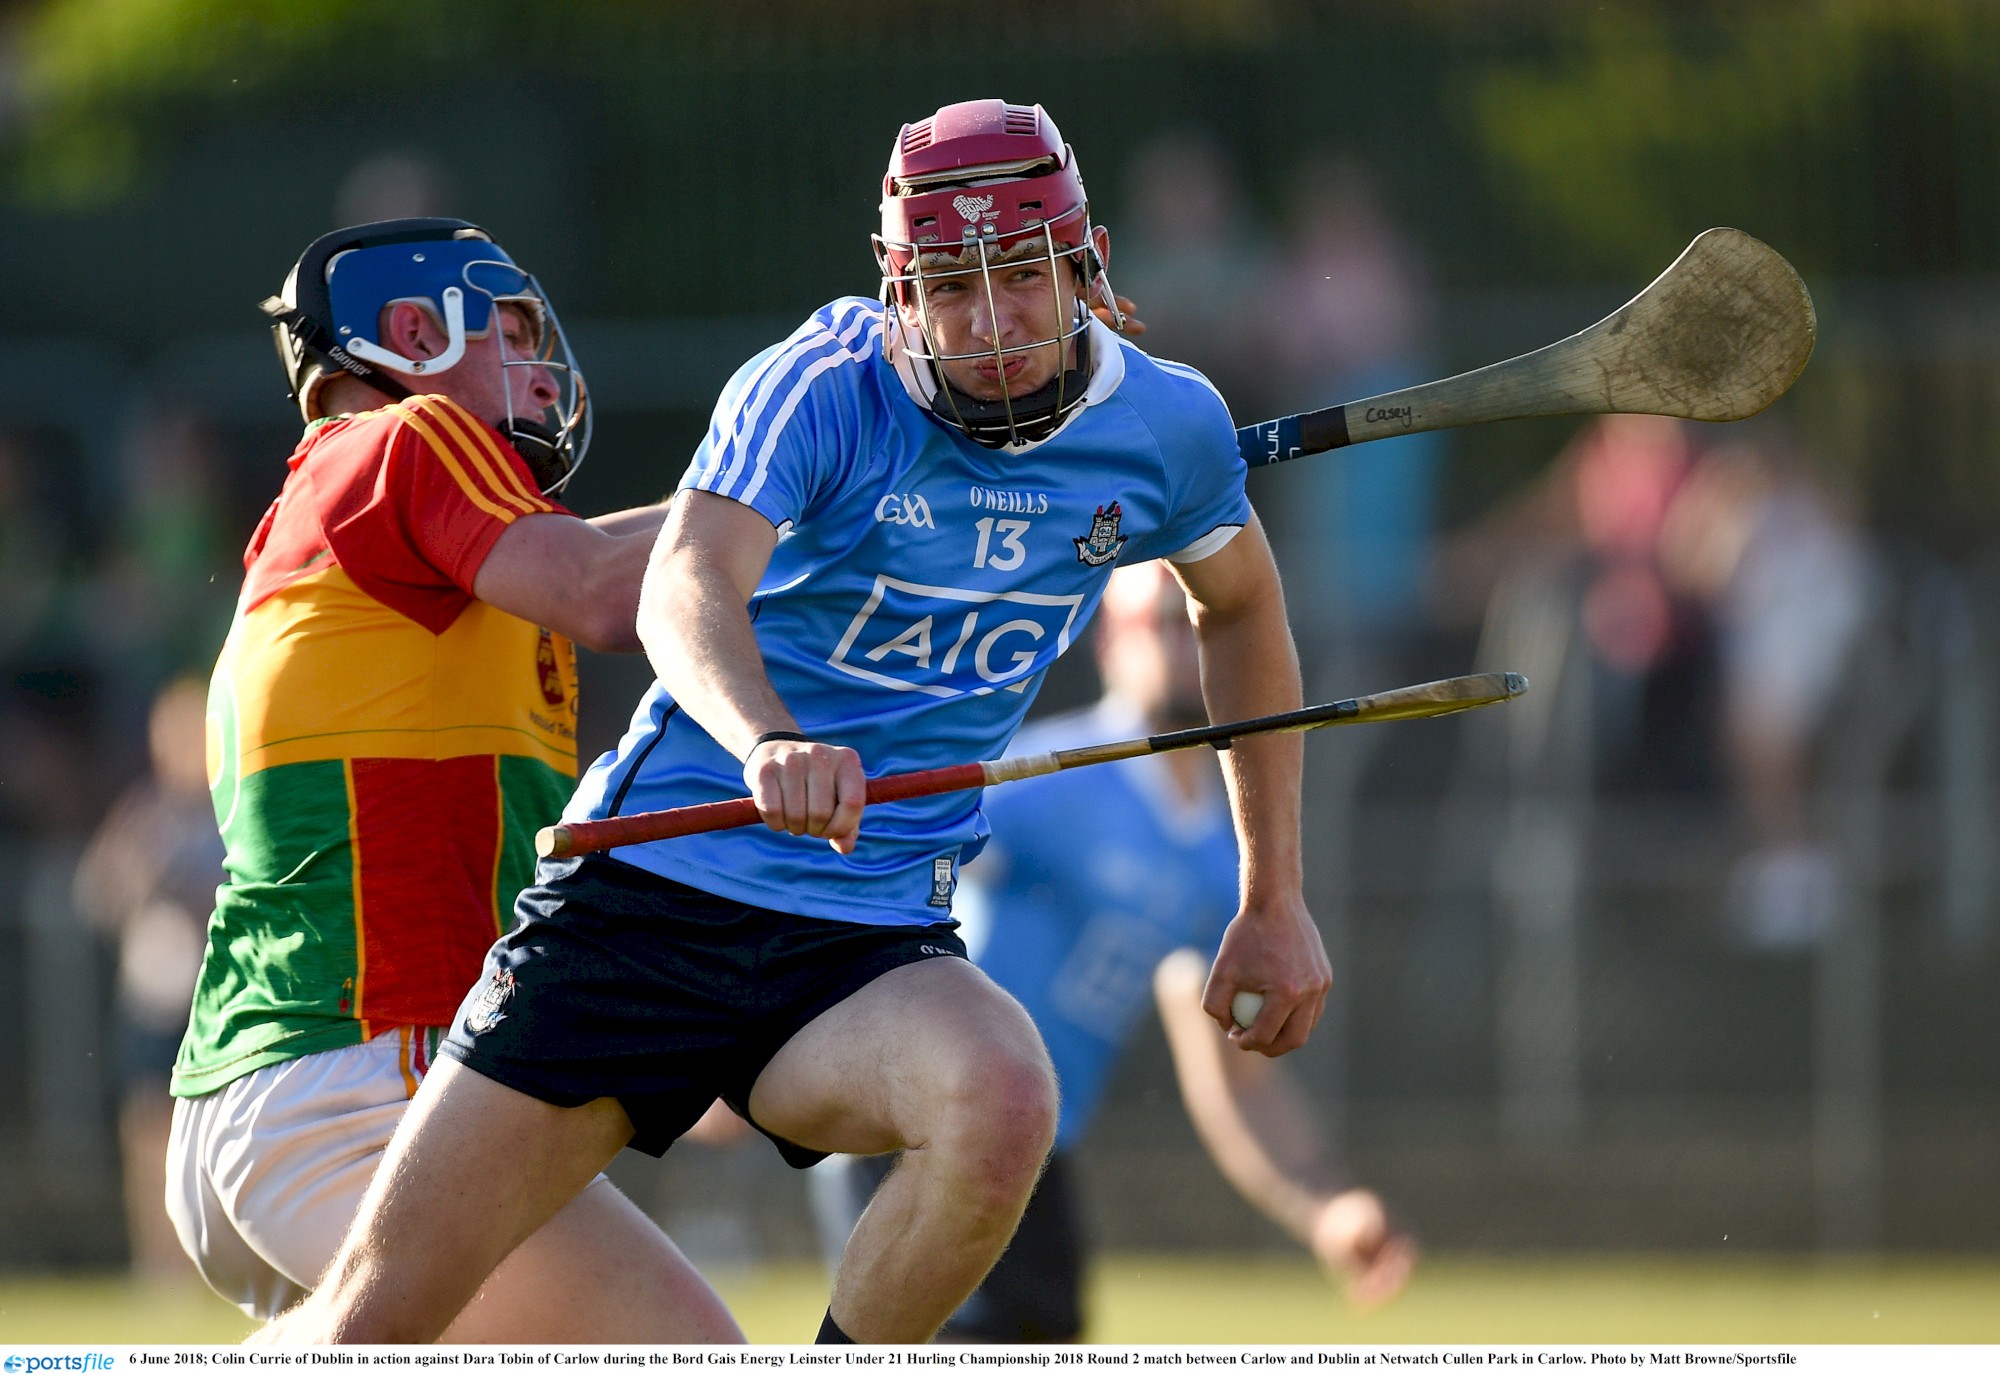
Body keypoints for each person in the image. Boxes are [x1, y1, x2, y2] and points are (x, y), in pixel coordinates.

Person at [272, 98, 1330, 1346]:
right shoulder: (821, 383)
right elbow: (682, 578)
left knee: (1000, 1093)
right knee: (371, 1325)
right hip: (644, 901)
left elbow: (1243, 606)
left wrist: (1270, 898)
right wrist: (763, 736)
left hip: (866, 933)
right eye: (949, 290)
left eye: (1019, 279)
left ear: (1080, 265)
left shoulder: (1163, 429)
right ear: (899, 292)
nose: (989, 326)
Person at [166, 217, 742, 1341]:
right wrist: (835, 481)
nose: (538, 359)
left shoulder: (358, 528)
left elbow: (659, 558)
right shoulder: (408, 437)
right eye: (512, 328)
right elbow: (606, 585)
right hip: (368, 1077)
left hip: (286, 1083)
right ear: (413, 335)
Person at [809, 562, 1414, 1341]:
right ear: (1110, 641)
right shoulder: (1045, 780)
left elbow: (1234, 1082)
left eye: (1202, 622)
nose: (1186, 642)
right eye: (1162, 619)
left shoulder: (1225, 851)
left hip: (1030, 1152)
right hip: (918, 1129)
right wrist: (769, 1031)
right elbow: (865, 866)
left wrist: (1326, 1202)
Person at [73, 675, 224, 1283]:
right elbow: (97, 893)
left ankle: (216, 1262)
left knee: (214, 1130)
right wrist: (139, 876)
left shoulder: (228, 812)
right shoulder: (143, 813)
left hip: (213, 996)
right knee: (147, 1131)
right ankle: (159, 1264)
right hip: (152, 997)